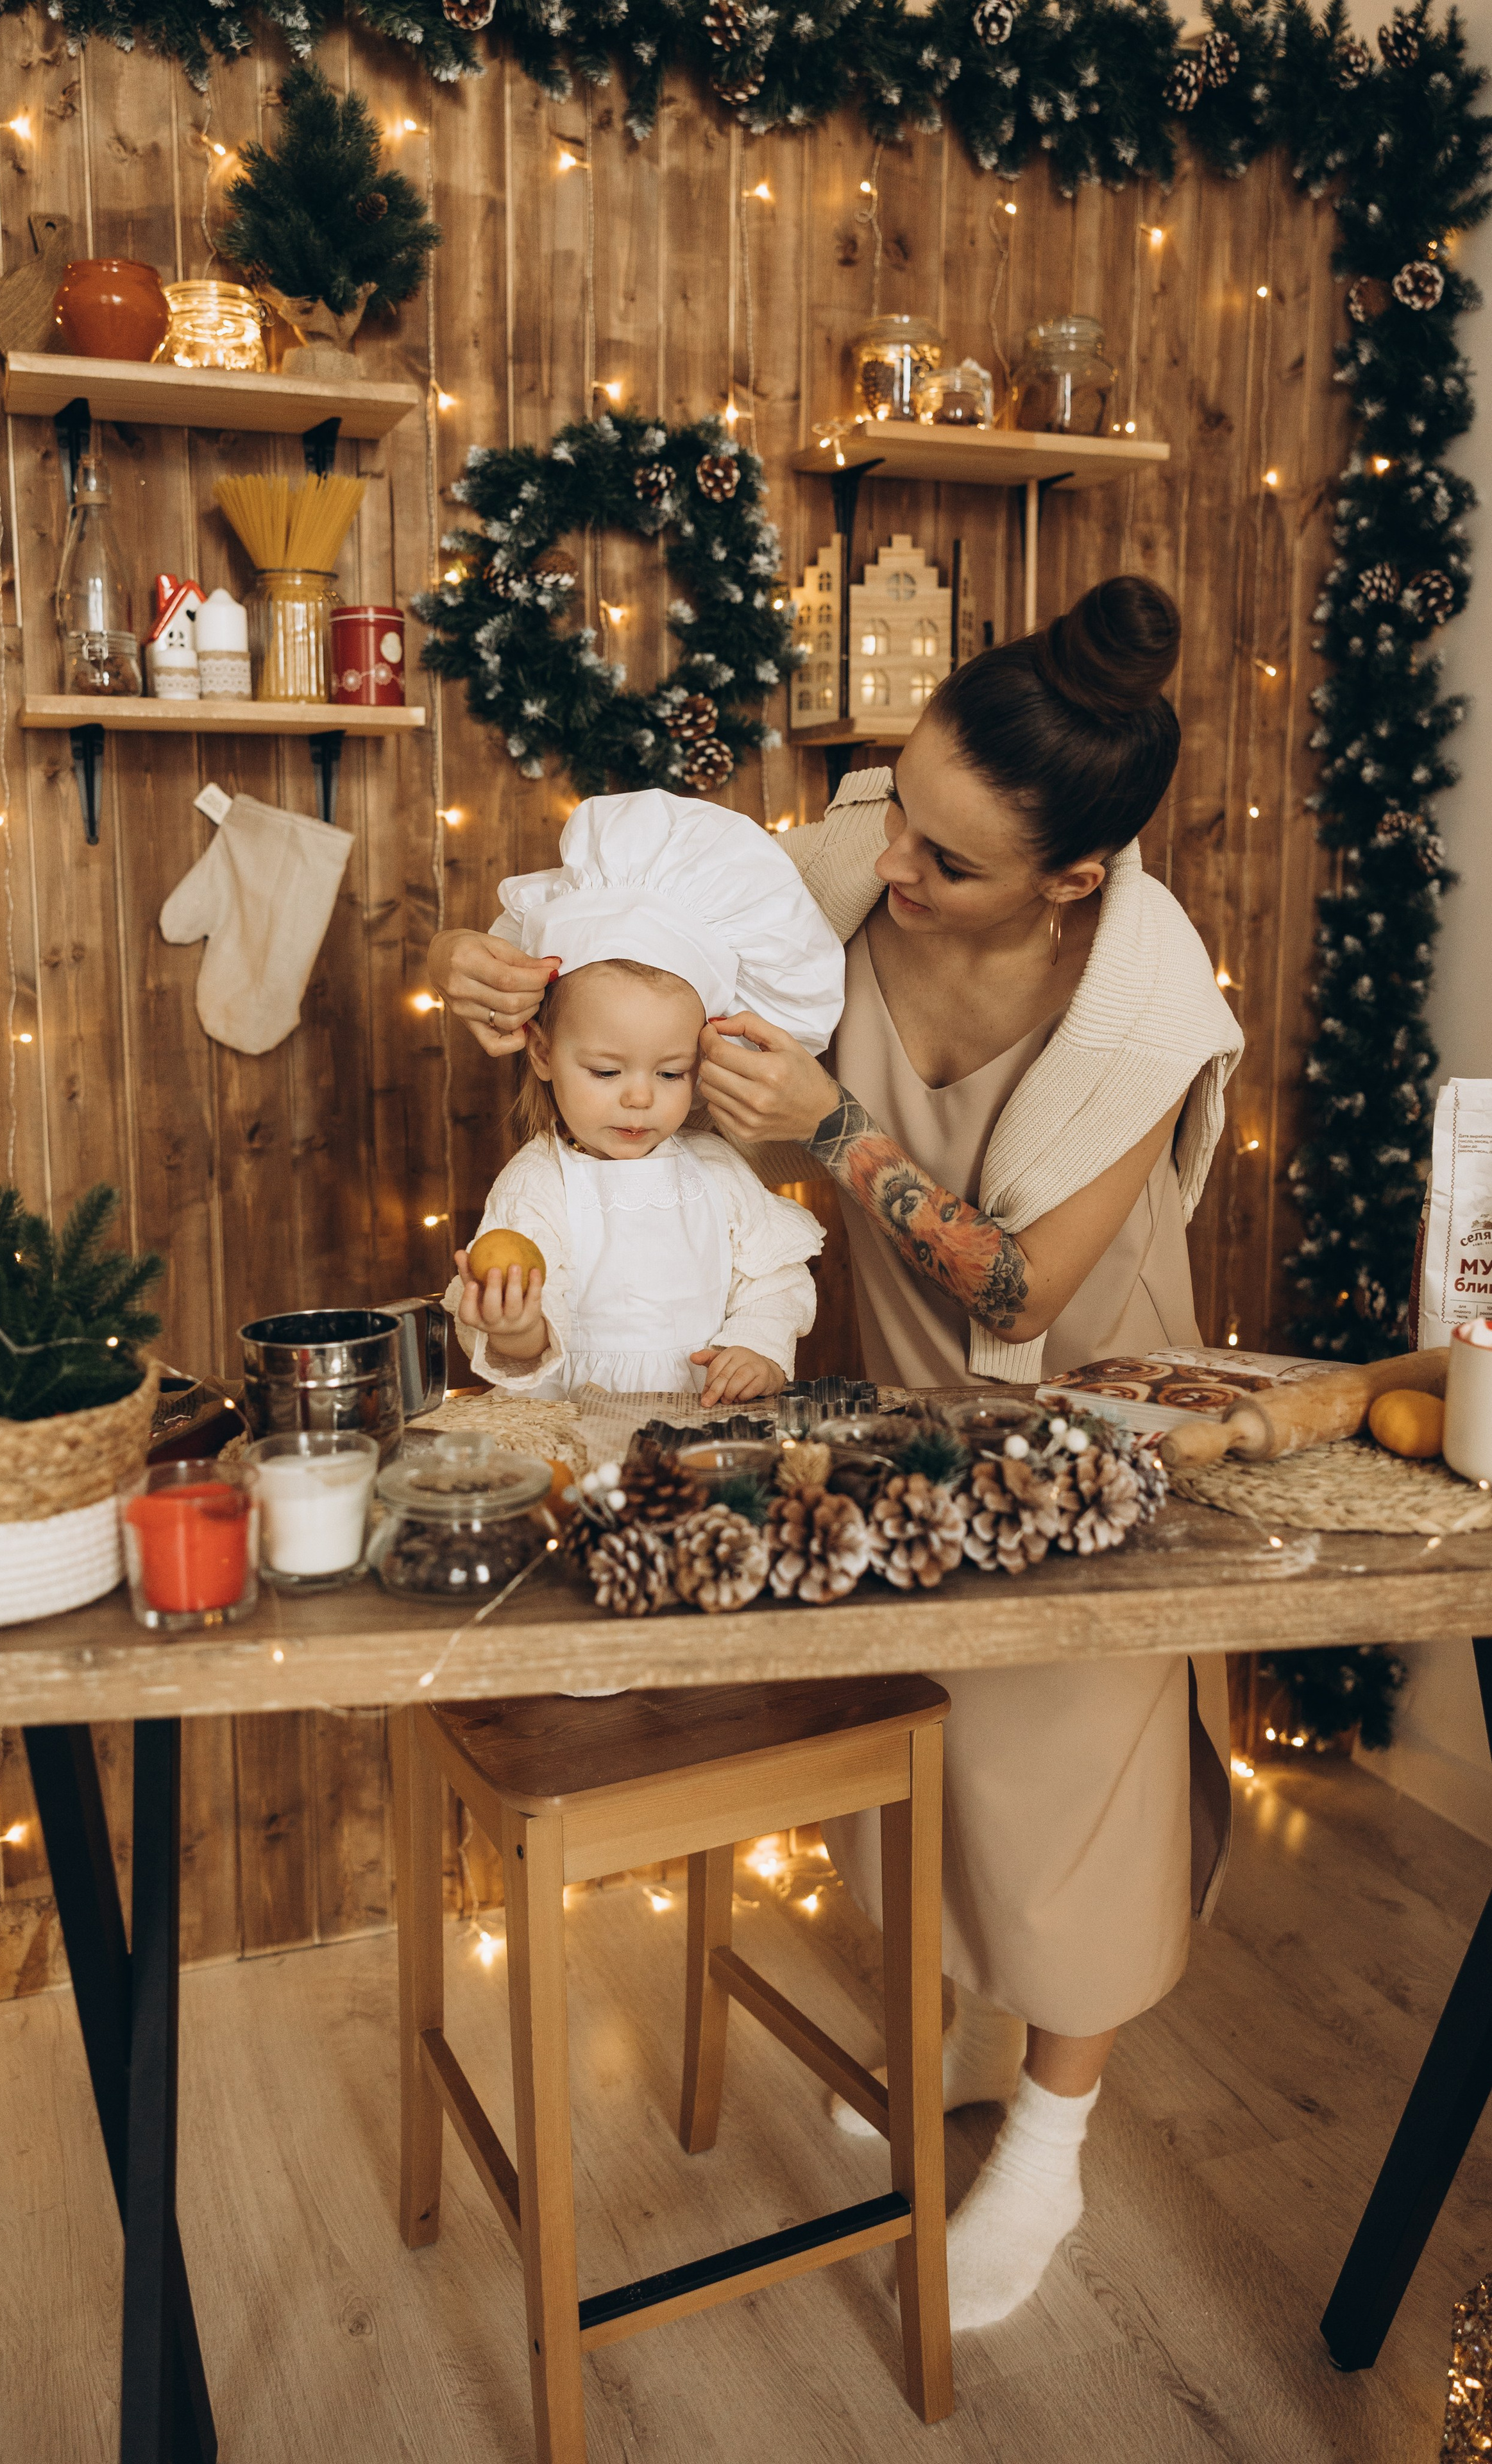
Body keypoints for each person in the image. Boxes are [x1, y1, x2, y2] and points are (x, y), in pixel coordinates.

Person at [428, 574, 1244, 2331]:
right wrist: (488, 971)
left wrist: (836, 1127)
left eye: (950, 863)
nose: (896, 873)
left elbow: (1024, 1279)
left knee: (1073, 1761)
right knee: (919, 1728)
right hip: (878, 1376)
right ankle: (925, 2029)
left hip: (1087, 1392)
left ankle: (1050, 2136)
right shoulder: (865, 852)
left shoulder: (1149, 1003)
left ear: (1074, 880)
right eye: (902, 815)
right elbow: (626, 952)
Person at [443, 786, 841, 1404]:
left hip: (704, 1431)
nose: (639, 1099)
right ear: (544, 1052)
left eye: (671, 1072)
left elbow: (774, 1278)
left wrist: (760, 1346)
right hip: (575, 1435)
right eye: (606, 1072)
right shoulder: (538, 1186)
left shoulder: (716, 1172)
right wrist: (520, 1330)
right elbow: (521, 1317)